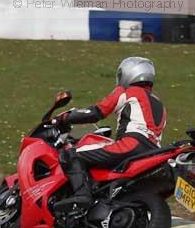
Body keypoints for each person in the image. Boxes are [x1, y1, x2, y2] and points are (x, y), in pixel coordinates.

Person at [53, 56, 166, 211]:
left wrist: (66, 117)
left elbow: (95, 112)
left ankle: (81, 196)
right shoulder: (159, 103)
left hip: (131, 145)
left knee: (70, 154)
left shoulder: (126, 91)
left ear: (128, 74)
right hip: (153, 152)